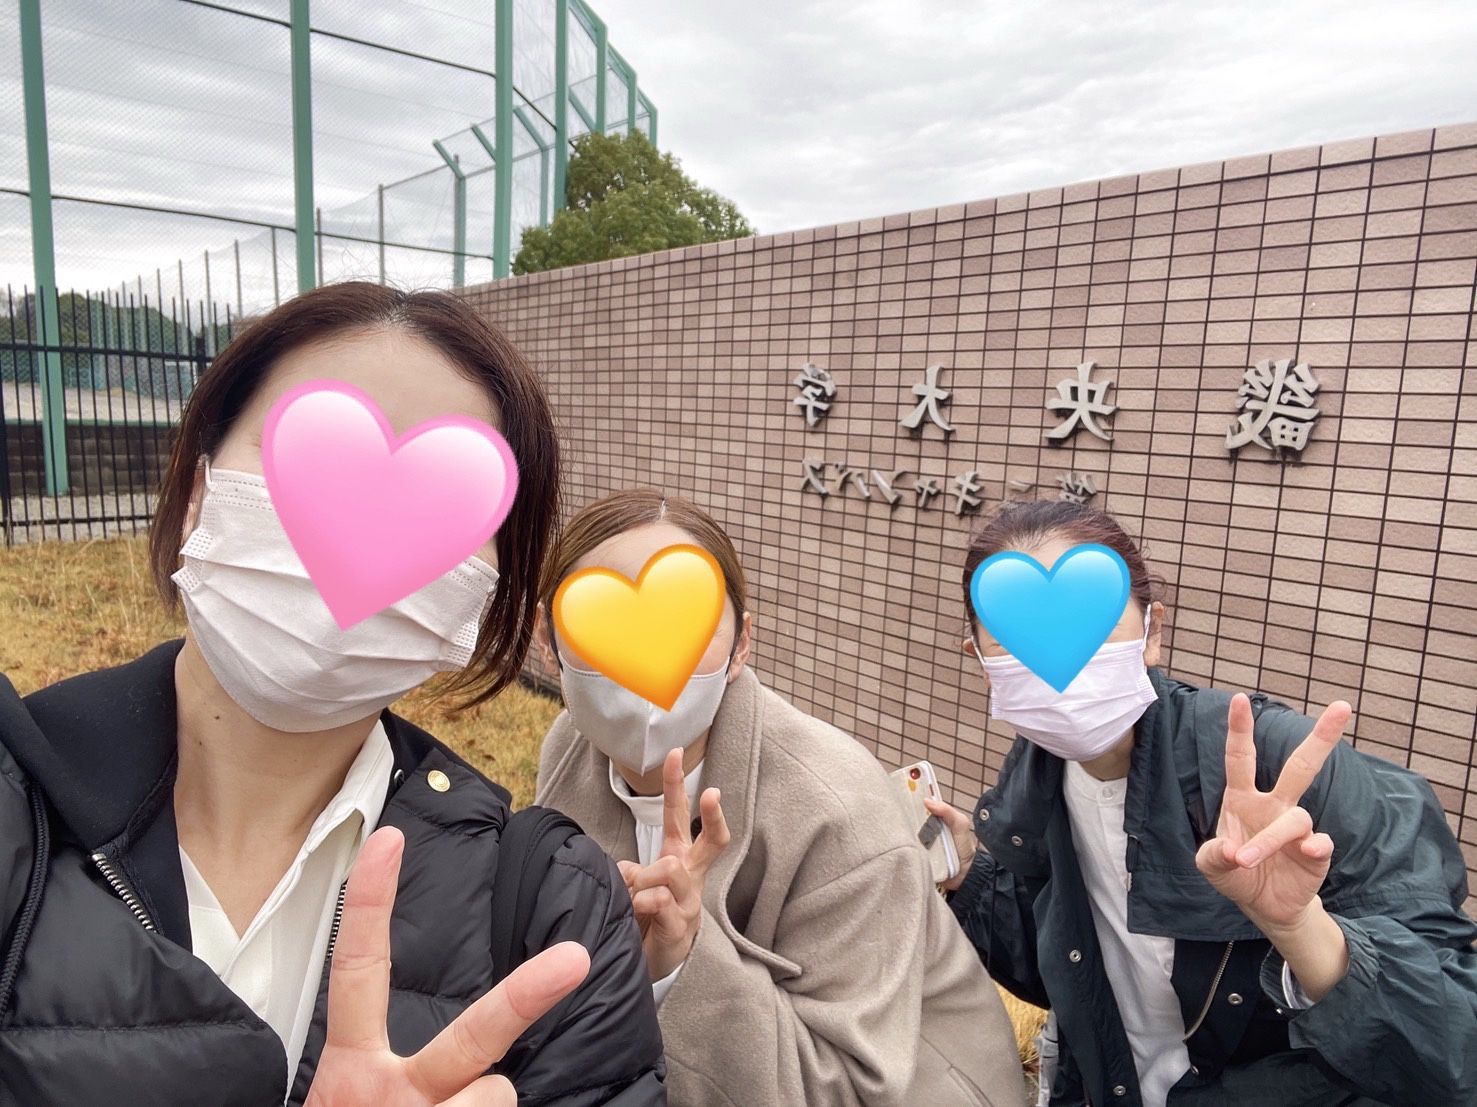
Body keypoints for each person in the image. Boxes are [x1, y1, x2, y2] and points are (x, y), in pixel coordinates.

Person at [0, 283, 665, 1106]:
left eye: (444, 501)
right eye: (310, 458)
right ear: (199, 492)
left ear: (489, 586)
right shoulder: (14, 806)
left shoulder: (554, 915)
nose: (360, 531)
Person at [927, 499, 1477, 1107]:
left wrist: (1301, 928)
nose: (1060, 663)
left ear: (1152, 633)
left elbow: (1455, 1048)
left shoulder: (1282, 769)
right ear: (982, 662)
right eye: (1016, 640)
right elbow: (1075, 978)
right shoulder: (1034, 793)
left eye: (1092, 627)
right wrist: (972, 881)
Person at [533, 489, 1024, 1107]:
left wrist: (683, 960)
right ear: (548, 640)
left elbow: (850, 1086)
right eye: (603, 622)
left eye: (682, 621)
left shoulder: (838, 812)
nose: (641, 658)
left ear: (741, 645)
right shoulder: (570, 747)